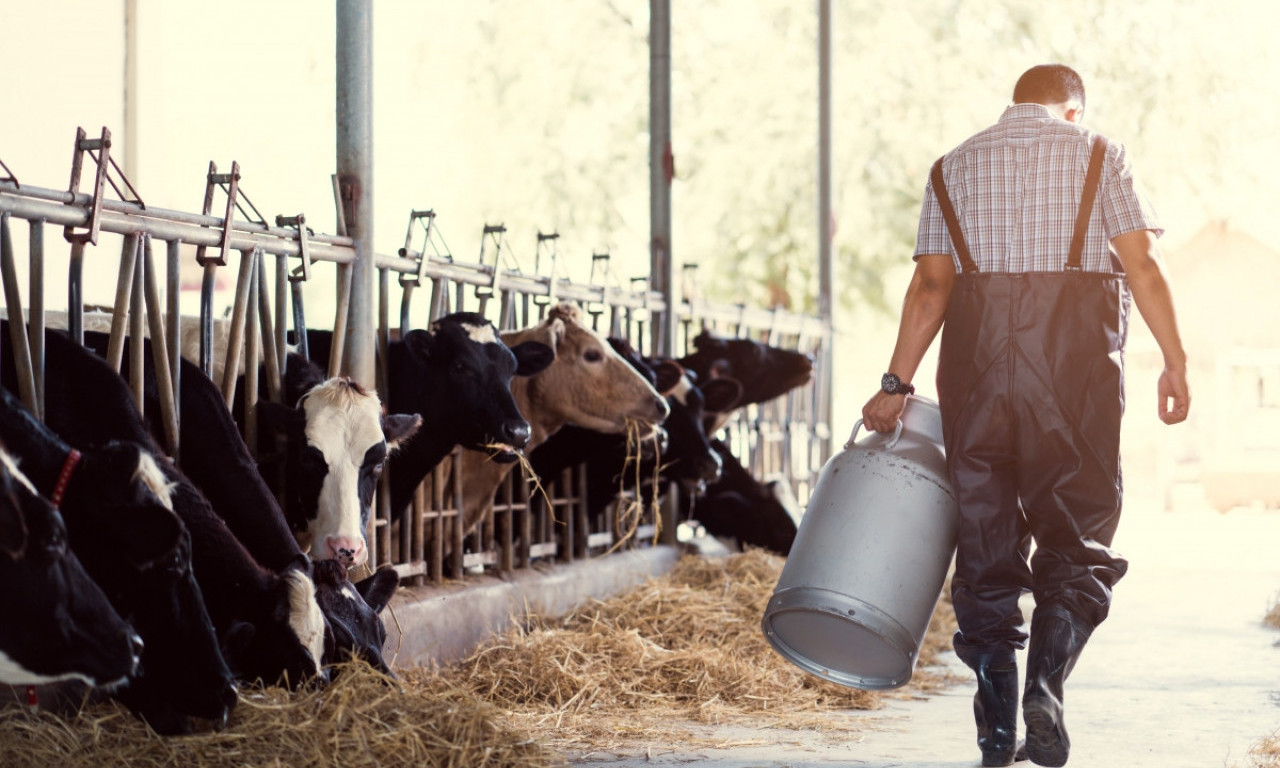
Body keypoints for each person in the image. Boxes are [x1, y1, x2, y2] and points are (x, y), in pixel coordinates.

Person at [861, 64, 1190, 767]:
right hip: (1073, 379)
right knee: (1077, 538)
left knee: (985, 544)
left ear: (1016, 105)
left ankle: (994, 728)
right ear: (1074, 110)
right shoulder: (1101, 153)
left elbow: (930, 287)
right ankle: (1045, 685)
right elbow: (1144, 266)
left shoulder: (952, 167)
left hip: (975, 378)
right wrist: (1175, 359)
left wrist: (896, 383)